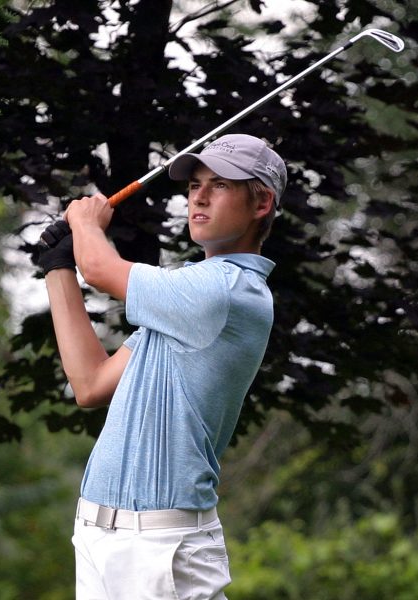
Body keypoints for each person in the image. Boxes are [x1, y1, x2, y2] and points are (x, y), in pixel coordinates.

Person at [35, 133, 286, 599]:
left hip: (162, 546)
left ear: (261, 203)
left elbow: (102, 269)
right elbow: (90, 383)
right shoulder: (181, 303)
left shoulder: (229, 292)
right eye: (194, 185)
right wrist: (57, 267)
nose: (200, 196)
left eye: (221, 185)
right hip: (97, 536)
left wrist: (86, 221)